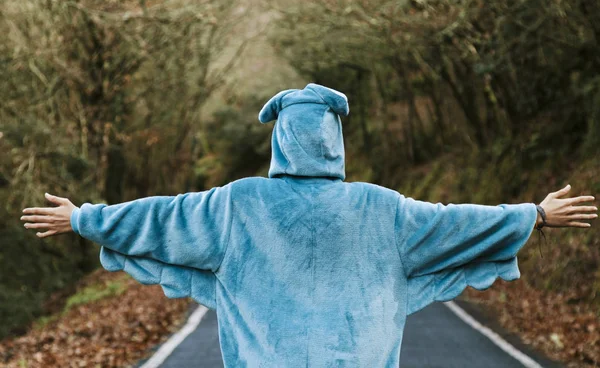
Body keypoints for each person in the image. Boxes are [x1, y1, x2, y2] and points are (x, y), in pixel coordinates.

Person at [21, 83, 597, 367]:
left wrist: (84, 218)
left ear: (278, 139)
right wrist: (536, 216)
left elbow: (160, 218)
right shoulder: (382, 208)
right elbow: (456, 227)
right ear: (335, 140)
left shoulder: (237, 204)